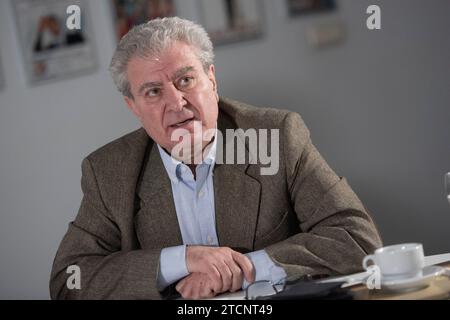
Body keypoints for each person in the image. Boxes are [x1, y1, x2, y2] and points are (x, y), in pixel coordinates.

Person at [49, 17, 382, 300]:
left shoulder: (275, 135)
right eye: (153, 91)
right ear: (133, 107)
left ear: (211, 79)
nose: (176, 102)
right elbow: (69, 280)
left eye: (186, 80)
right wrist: (184, 260)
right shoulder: (110, 172)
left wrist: (247, 269)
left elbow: (356, 238)